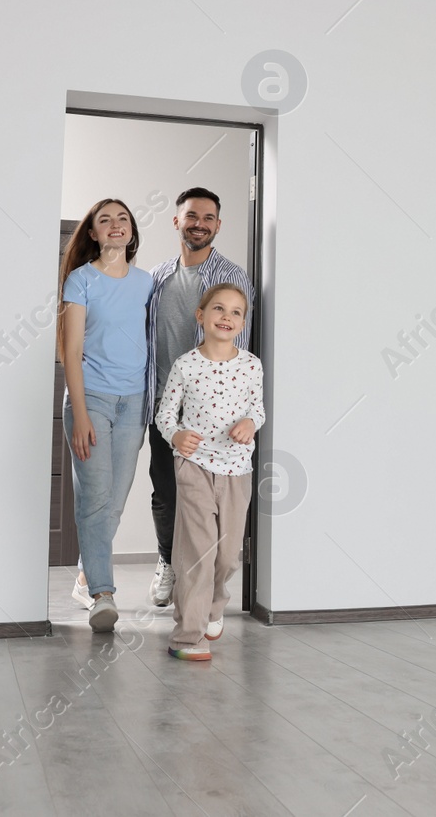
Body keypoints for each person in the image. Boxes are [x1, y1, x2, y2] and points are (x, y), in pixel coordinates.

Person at [142, 188, 253, 607]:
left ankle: (209, 587)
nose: (199, 223)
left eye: (208, 217)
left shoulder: (234, 277)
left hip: (216, 415)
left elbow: (243, 346)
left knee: (216, 504)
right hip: (164, 407)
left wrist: (246, 414)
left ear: (218, 226)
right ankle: (168, 561)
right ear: (177, 222)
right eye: (191, 216)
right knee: (165, 491)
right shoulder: (157, 277)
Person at [155, 283, 264, 660]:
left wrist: (251, 422)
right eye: (219, 309)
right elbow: (165, 415)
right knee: (198, 554)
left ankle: (214, 606)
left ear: (243, 322)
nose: (227, 317)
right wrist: (177, 434)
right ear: (200, 316)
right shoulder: (186, 365)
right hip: (195, 467)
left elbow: (258, 409)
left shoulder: (251, 365)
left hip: (238, 470)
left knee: (228, 555)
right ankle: (187, 636)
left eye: (236, 312)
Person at [59, 198, 153, 632]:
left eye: (123, 219)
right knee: (95, 501)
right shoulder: (80, 281)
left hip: (133, 403)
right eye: (105, 220)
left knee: (112, 505)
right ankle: (103, 594)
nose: (115, 225)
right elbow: (70, 351)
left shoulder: (147, 283)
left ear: (131, 231)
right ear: (93, 233)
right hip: (91, 399)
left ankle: (84, 574)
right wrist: (79, 415)